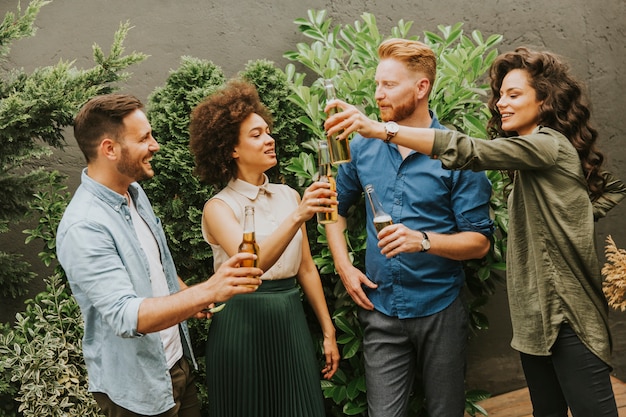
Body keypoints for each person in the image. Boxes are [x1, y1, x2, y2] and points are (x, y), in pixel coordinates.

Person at [325, 46, 626, 417]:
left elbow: (469, 152)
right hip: (533, 320)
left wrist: (381, 130)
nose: (501, 103)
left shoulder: (549, 145)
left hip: (570, 316)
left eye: (514, 94)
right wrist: (573, 217)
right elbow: (611, 190)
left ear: (545, 100)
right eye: (500, 94)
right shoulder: (528, 160)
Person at [56, 94, 263, 417]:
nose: (156, 145)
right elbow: (127, 317)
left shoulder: (134, 193)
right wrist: (209, 289)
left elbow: (157, 268)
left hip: (175, 364)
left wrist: (189, 296)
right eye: (144, 138)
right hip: (137, 390)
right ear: (109, 149)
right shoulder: (84, 226)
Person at [322, 38, 495, 417]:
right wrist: (343, 266)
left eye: (389, 85)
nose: (377, 94)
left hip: (440, 309)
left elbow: (480, 243)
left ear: (421, 87)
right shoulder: (363, 148)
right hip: (380, 309)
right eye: (377, 84)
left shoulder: (456, 155)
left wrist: (423, 241)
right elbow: (333, 207)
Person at [188, 79, 340, 417]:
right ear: (232, 149)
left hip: (289, 321)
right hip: (240, 326)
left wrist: (328, 332)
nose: (270, 139)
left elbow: (305, 269)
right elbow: (250, 266)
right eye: (256, 135)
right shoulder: (219, 208)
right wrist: (300, 215)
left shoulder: (288, 195)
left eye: (268, 131)